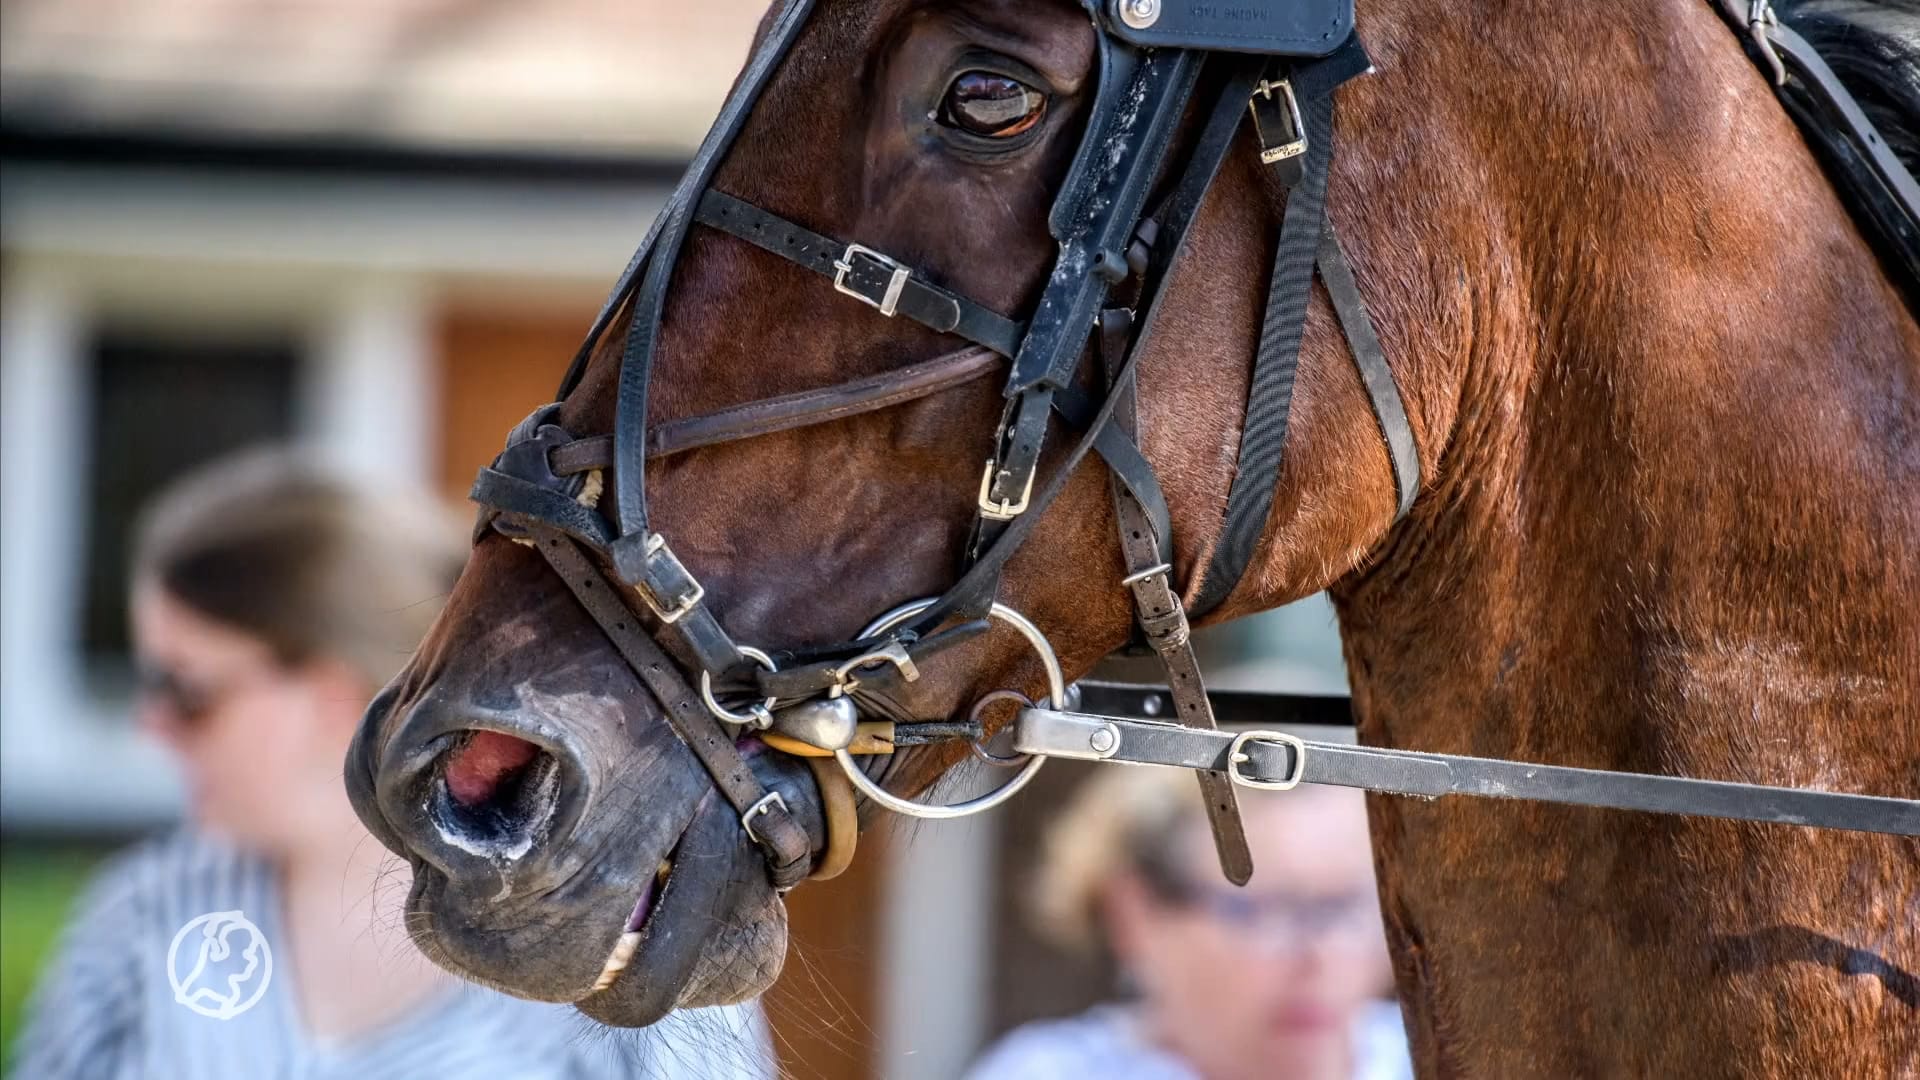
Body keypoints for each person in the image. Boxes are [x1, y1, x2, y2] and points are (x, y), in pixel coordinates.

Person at [11, 450, 774, 1080]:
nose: (151, 726)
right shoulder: (144, 918)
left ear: (331, 690)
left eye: (183, 689)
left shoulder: (616, 935)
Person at [968, 762, 1411, 1080]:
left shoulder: (1447, 1058)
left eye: (1343, 907)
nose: (1321, 954)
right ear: (1135, 914)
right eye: (1264, 909)